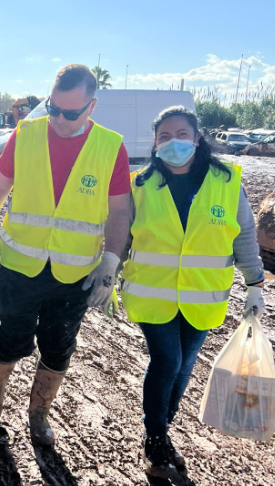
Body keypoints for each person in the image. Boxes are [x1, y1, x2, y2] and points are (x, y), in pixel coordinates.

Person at [0, 64, 132, 447]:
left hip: (74, 272)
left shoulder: (111, 147)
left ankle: (39, 413)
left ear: (91, 106)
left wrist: (111, 261)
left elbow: (120, 209)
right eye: (53, 108)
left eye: (70, 112)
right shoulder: (25, 134)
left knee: (59, 345)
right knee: (11, 336)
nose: (59, 119)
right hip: (20, 264)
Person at [119, 106, 265, 480]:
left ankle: (160, 428)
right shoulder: (140, 185)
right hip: (154, 294)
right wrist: (107, 270)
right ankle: (155, 438)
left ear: (197, 138)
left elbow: (244, 234)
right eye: (164, 137)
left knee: (184, 365)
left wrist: (255, 284)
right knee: (167, 360)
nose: (173, 142)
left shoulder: (227, 181)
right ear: (154, 143)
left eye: (182, 134)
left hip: (203, 295)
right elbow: (121, 235)